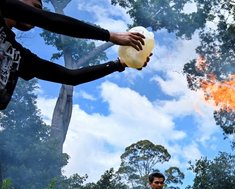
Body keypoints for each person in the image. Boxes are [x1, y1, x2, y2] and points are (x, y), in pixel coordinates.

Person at [0, 0, 149, 110]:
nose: (38, 13)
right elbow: (52, 21)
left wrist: (120, 63)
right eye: (36, 7)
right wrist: (110, 36)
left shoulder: (17, 54)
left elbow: (71, 77)